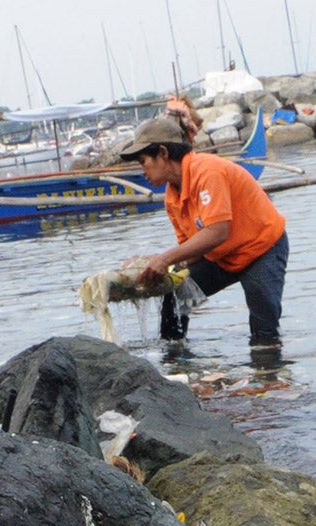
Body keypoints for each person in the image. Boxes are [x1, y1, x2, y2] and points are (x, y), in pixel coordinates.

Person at [122, 114, 288, 358]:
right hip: (223, 256)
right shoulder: (172, 196)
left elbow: (217, 232)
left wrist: (165, 258)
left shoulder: (207, 171)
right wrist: (145, 264)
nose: (142, 170)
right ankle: (176, 362)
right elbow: (191, 250)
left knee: (263, 330)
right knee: (175, 296)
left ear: (163, 153)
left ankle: (268, 379)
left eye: (144, 161)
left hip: (262, 249)